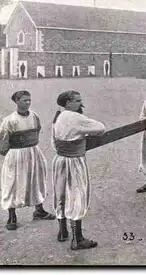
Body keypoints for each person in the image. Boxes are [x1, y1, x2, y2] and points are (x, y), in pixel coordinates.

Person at [51, 91, 106, 250]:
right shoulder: (76, 117)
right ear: (68, 103)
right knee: (77, 195)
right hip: (74, 161)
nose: (80, 104)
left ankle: (62, 231)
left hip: (60, 159)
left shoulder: (58, 116)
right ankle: (78, 239)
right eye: (77, 101)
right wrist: (84, 131)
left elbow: (54, 142)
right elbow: (101, 128)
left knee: (60, 194)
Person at [0, 90, 55, 230]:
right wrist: (11, 152)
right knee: (13, 183)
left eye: (29, 100)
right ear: (17, 102)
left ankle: (39, 210)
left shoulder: (34, 116)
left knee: (36, 180)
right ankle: (12, 216)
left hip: (33, 152)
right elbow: (1, 140)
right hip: (16, 155)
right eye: (24, 100)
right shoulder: (10, 120)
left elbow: (37, 130)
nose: (27, 103)